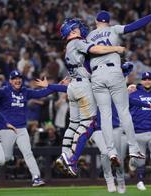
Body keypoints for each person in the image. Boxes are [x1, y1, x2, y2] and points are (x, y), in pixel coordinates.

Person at [86, 3, 151, 164]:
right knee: (123, 112)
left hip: (96, 74)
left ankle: (111, 151)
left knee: (106, 115)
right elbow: (135, 25)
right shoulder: (114, 29)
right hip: (114, 72)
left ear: (96, 21)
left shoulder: (89, 36)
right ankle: (134, 149)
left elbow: (86, 62)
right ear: (108, 21)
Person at [55, 18, 126, 176]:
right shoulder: (77, 42)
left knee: (73, 124)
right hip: (83, 86)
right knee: (89, 124)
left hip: (73, 86)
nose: (81, 29)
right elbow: (95, 50)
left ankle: (64, 154)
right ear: (73, 31)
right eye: (78, 28)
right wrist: (115, 49)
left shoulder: (68, 46)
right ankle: (72, 160)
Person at [0, 70, 67, 186]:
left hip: (21, 128)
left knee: (28, 153)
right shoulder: (5, 91)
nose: (17, 80)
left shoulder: (25, 91)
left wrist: (57, 86)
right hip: (7, 129)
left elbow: (42, 93)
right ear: (10, 81)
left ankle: (36, 177)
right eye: (14, 78)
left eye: (19, 78)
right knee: (6, 158)